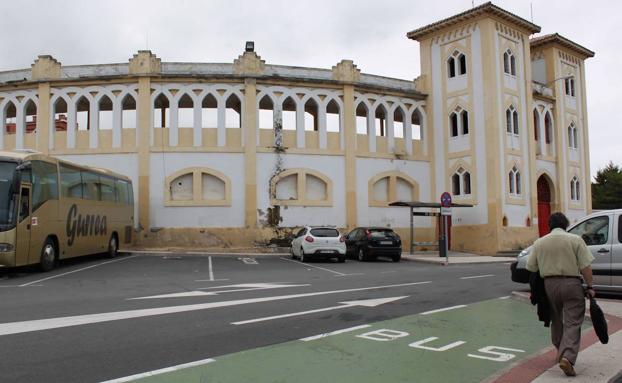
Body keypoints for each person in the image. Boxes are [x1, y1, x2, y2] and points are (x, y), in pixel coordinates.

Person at [526, 212, 595, 377]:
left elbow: (531, 267)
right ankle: (568, 357)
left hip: (549, 285)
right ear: (565, 224)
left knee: (556, 320)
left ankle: (560, 351)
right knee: (573, 321)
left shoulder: (539, 242)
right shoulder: (575, 240)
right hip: (571, 283)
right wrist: (590, 286)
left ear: (550, 225)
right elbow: (585, 267)